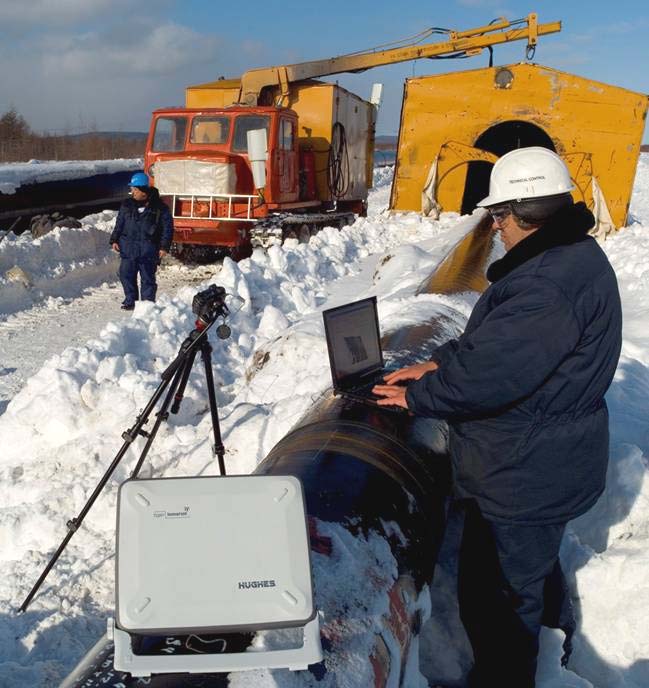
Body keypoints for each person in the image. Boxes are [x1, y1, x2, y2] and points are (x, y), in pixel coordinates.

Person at [373, 147, 622, 687]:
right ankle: (555, 642)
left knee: (498, 601)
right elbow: (502, 346)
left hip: (524, 469)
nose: (496, 227)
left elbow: (494, 376)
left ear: (522, 213)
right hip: (540, 459)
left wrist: (419, 399)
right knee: (531, 573)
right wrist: (439, 361)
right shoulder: (569, 257)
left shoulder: (546, 285)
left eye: (498, 216)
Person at [110, 172, 173, 310]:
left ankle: (147, 305)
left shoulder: (160, 208)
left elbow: (167, 229)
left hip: (148, 250)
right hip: (128, 248)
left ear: (143, 190)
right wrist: (114, 239)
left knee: (148, 279)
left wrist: (164, 247)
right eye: (132, 189)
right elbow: (119, 223)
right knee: (126, 274)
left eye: (134, 189)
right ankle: (130, 300)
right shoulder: (127, 205)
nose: (132, 192)